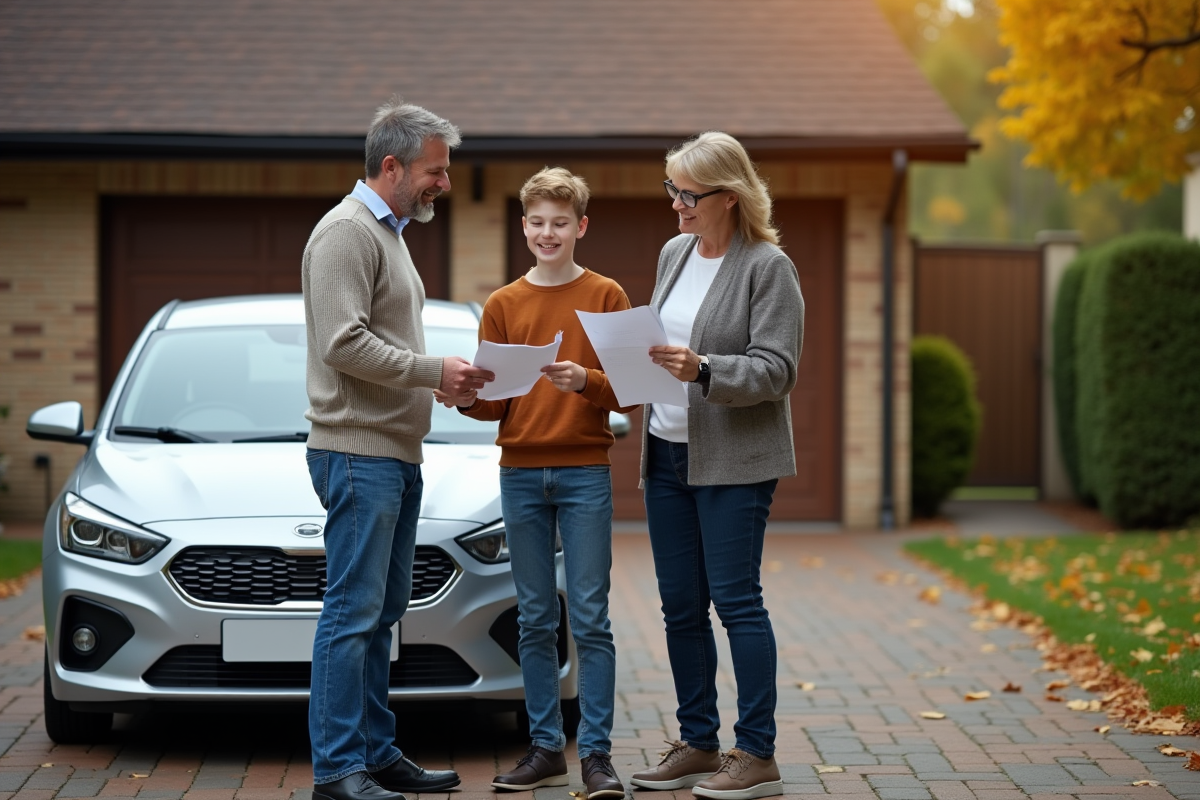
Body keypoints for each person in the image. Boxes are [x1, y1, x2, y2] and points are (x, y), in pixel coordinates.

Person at [301, 98, 493, 800]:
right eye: (435, 171)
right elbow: (342, 343)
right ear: (392, 165)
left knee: (381, 615)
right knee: (351, 615)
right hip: (358, 452)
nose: (443, 182)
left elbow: (383, 348)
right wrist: (431, 370)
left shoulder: (390, 233)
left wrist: (439, 385)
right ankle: (338, 771)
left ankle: (377, 754)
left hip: (394, 451)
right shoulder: (345, 234)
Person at [439, 167, 636, 799]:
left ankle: (597, 756)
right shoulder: (503, 304)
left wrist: (589, 383)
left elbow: (634, 394)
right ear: (524, 227)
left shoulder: (607, 295)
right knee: (532, 617)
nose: (548, 233)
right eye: (537, 223)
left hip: (584, 473)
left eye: (560, 223)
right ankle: (546, 749)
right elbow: (497, 403)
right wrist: (467, 398)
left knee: (590, 616)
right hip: (520, 474)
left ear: (580, 226)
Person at [629, 132, 803, 800]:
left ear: (728, 198)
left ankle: (756, 753)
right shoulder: (674, 253)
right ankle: (699, 743)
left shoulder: (768, 266)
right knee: (679, 608)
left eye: (688, 194)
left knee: (736, 602)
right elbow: (661, 343)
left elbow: (778, 369)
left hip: (734, 462)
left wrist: (704, 369)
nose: (676, 205)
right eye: (671, 189)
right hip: (667, 454)